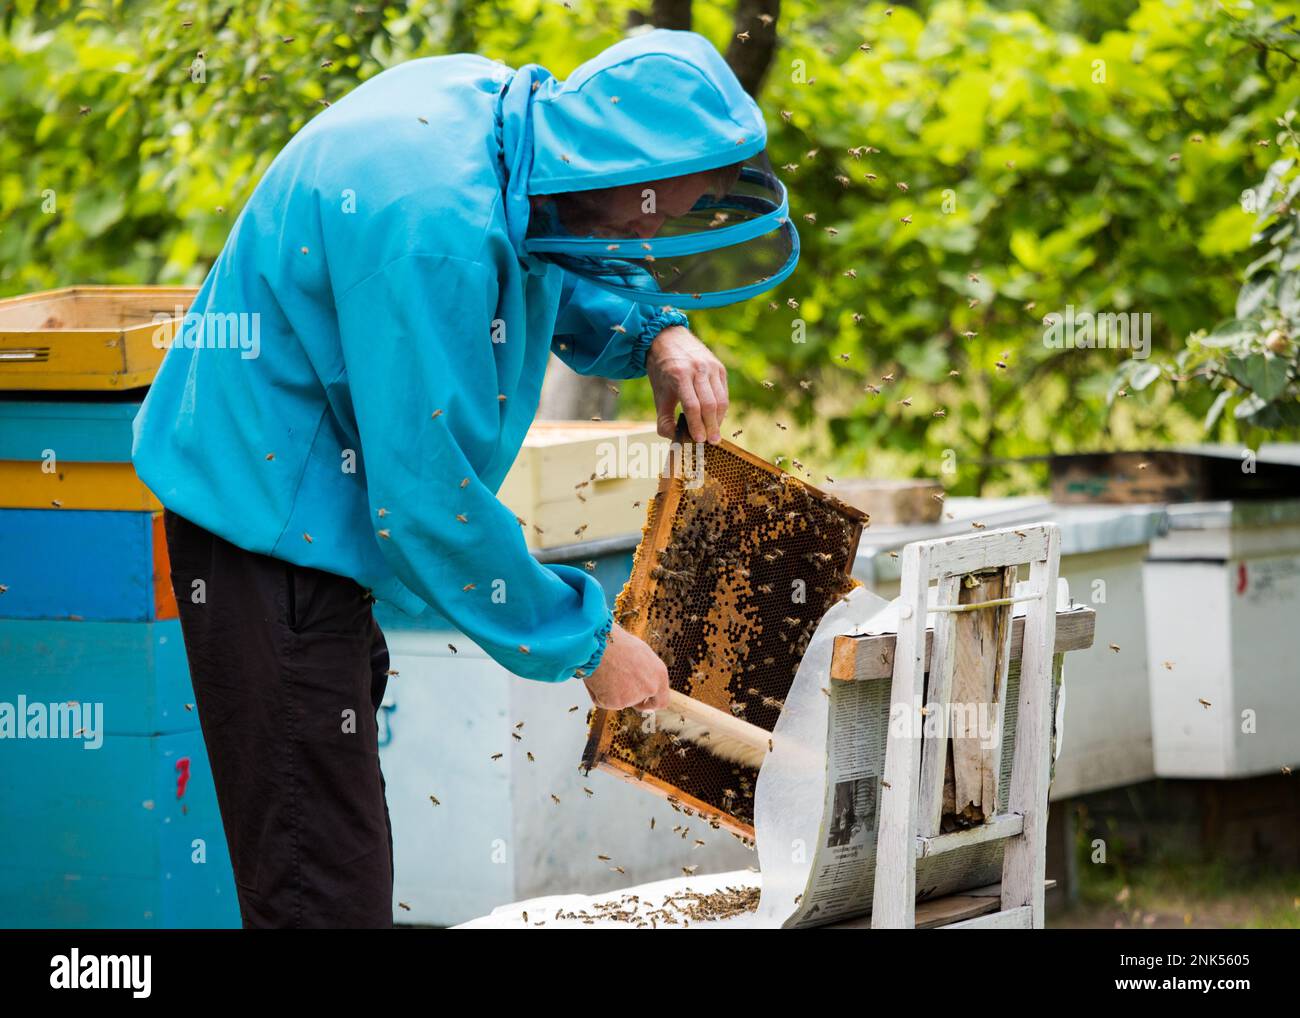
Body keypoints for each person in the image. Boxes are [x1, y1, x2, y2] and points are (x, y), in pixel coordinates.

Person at [132, 28, 799, 928]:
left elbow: (557, 248)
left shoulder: (501, 117)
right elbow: (425, 499)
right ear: (606, 160)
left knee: (331, 836)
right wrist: (588, 645)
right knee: (319, 885)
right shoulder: (431, 228)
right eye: (644, 216)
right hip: (265, 524)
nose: (646, 235)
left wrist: (658, 332)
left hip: (309, 520)